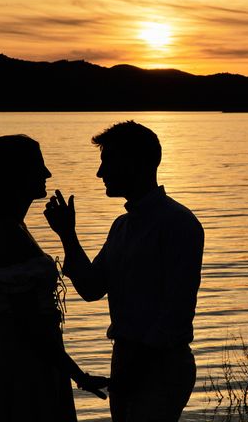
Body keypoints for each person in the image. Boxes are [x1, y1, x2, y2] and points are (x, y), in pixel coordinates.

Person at [44, 121, 205, 422]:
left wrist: (133, 369)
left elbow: (175, 314)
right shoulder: (122, 226)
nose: (100, 173)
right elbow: (92, 288)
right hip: (127, 359)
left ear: (137, 163)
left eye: (108, 161)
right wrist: (67, 234)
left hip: (161, 366)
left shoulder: (179, 224)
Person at [0, 134, 109, 422]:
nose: (47, 173)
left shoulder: (15, 229)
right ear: (15, 174)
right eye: (39, 166)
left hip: (36, 364)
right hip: (23, 372)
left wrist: (67, 233)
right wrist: (78, 374)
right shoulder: (8, 236)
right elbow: (28, 325)